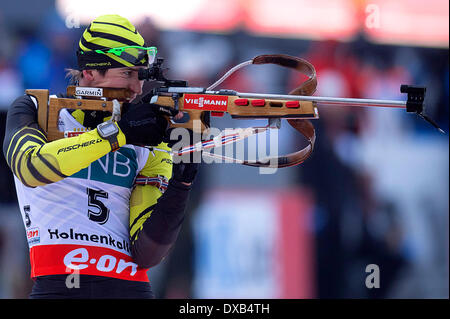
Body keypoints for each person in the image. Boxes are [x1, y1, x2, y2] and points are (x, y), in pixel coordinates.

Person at [2, 14, 198, 299]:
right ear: (91, 74)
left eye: (141, 75)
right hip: (60, 288)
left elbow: (147, 254)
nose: (137, 88)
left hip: (131, 289)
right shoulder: (36, 109)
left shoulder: (145, 135)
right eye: (127, 74)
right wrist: (118, 133)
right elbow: (31, 166)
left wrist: (182, 181)